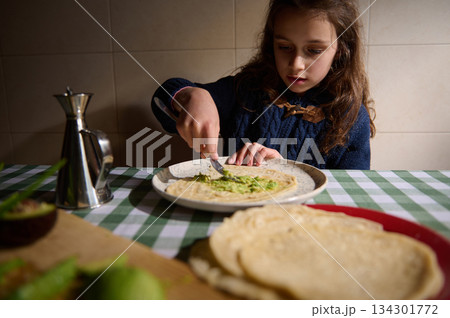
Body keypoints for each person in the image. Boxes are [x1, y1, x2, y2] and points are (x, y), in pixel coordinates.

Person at [151, 0, 375, 169]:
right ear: (271, 44)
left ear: (341, 51)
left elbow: (351, 194)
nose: (296, 65)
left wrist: (285, 171)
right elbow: (161, 97)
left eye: (314, 51)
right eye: (285, 47)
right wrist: (192, 96)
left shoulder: (352, 117)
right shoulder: (245, 91)